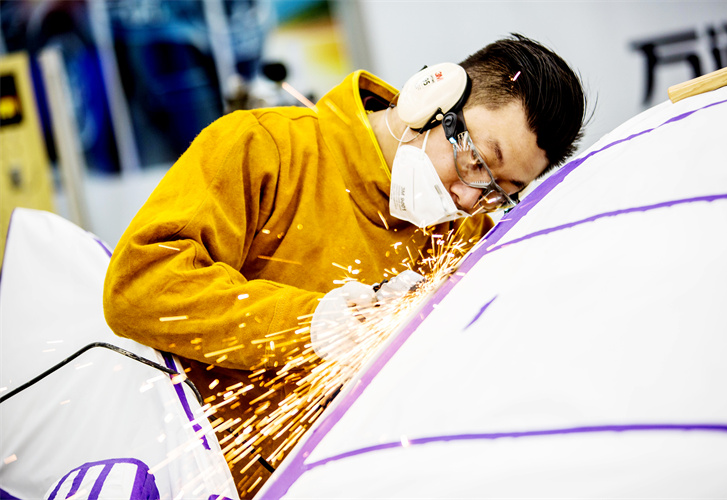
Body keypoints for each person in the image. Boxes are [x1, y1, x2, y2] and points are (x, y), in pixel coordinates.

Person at [103, 33, 585, 496]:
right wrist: (310, 325)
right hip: (204, 475)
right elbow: (139, 285)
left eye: (498, 191)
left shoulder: (466, 237)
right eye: (477, 160)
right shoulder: (263, 147)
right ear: (430, 97)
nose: (467, 199)